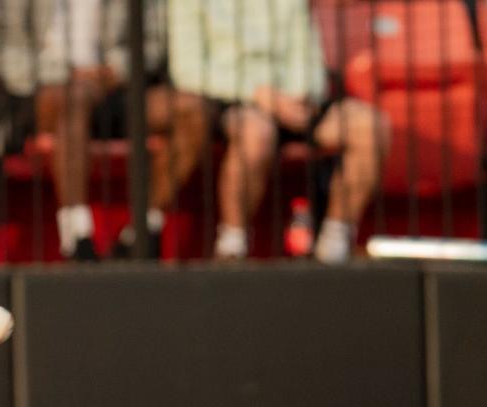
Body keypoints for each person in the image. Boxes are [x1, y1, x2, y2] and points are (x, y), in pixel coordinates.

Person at [0, 0, 207, 260]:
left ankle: (142, 230)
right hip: (33, 87)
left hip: (113, 86)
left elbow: (153, 42)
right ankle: (77, 237)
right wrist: (65, 72)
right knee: (75, 97)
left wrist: (114, 69)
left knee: (191, 110)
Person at [167, 0, 390, 263]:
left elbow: (309, 60)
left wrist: (297, 97)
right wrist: (256, 93)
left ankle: (333, 245)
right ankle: (232, 245)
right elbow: (187, 72)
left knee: (371, 127)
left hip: (292, 102)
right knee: (256, 133)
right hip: (228, 98)